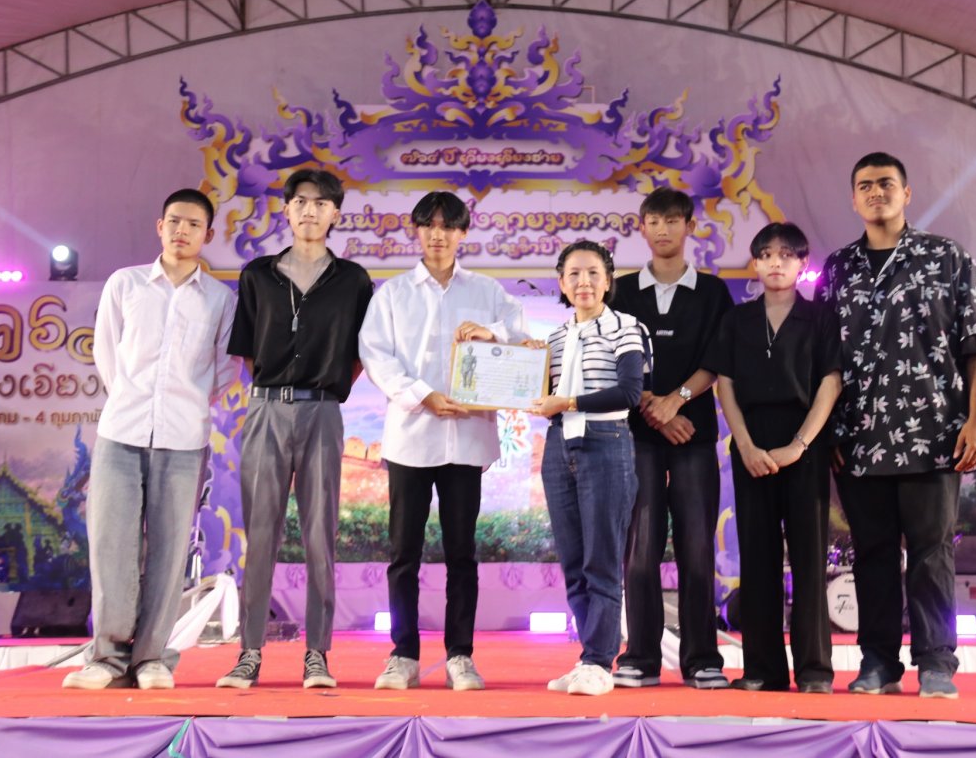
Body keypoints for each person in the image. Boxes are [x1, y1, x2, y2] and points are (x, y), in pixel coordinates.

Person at [817, 152, 976, 700]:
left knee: (930, 551)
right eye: (865, 185)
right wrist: (828, 433)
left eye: (886, 183)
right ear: (853, 198)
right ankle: (878, 662)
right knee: (872, 554)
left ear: (906, 193)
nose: (875, 192)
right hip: (857, 439)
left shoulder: (947, 257)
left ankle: (936, 663)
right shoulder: (837, 268)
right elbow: (823, 359)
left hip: (934, 434)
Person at [64, 188, 239, 690]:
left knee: (169, 549)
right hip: (122, 431)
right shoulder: (126, 283)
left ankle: (152, 658)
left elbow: (225, 369)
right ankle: (107, 658)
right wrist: (132, 398)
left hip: (184, 438)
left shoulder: (220, 299)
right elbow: (106, 352)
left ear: (208, 234)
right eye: (174, 221)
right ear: (159, 226)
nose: (182, 231)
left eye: (193, 224)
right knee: (112, 545)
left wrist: (186, 402)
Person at [359, 191, 529, 691]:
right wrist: (423, 395)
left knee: (462, 553)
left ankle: (460, 655)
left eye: (448, 226)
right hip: (411, 436)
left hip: (467, 439)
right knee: (403, 554)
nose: (438, 235)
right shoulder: (393, 294)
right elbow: (375, 355)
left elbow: (519, 331)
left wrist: (491, 333)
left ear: (463, 233)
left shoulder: (487, 291)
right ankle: (403, 655)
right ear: (415, 231)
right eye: (429, 225)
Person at [217, 168, 373, 690]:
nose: (310, 210)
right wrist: (275, 393)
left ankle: (317, 655)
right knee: (261, 533)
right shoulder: (257, 275)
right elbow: (245, 352)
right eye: (301, 201)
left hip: (323, 412)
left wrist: (325, 391)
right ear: (286, 210)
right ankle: (249, 653)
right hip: (265, 410)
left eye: (321, 202)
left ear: (335, 213)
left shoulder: (353, 280)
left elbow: (360, 354)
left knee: (319, 535)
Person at [703, 222, 840, 694]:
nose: (775, 262)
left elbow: (831, 383)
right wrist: (743, 445)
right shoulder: (737, 320)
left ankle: (815, 671)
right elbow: (725, 384)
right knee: (758, 561)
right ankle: (762, 670)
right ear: (755, 263)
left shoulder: (820, 317)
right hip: (752, 447)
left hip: (806, 444)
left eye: (786, 254)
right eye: (766, 255)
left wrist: (798, 445)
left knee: (808, 561)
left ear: (803, 263)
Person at [610, 188, 732, 690]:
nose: (663, 230)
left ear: (689, 226)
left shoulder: (712, 292)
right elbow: (614, 359)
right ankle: (640, 656)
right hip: (636, 436)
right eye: (654, 221)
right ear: (641, 227)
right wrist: (655, 409)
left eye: (672, 220)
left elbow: (718, 359)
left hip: (694, 435)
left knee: (697, 547)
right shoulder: (620, 291)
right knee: (640, 548)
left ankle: (702, 658)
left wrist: (677, 400)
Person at [531, 240, 651, 696]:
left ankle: (600, 661)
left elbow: (630, 392)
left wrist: (569, 402)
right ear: (562, 284)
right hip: (559, 444)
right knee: (575, 563)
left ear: (608, 280)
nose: (584, 282)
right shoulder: (554, 338)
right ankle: (589, 657)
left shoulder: (627, 328)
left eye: (593, 273)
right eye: (574, 274)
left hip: (607, 441)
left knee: (602, 560)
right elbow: (537, 391)